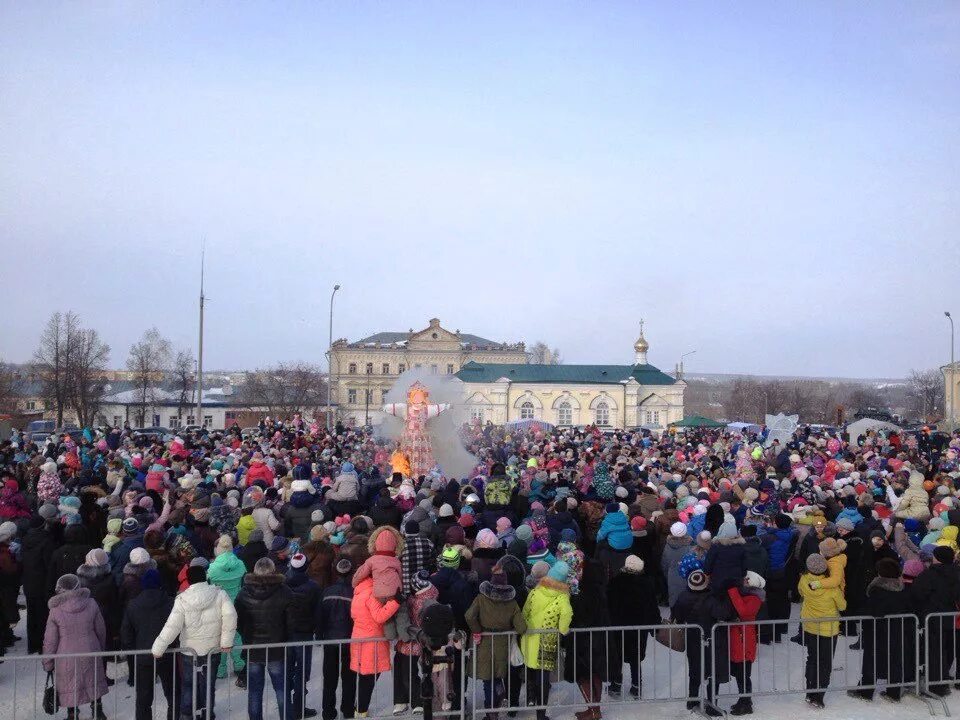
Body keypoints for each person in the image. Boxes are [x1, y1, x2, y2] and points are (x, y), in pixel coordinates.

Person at [152, 563, 238, 719]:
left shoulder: (182, 599)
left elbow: (172, 626)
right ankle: (207, 713)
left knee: (189, 684)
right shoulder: (220, 594)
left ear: (189, 581)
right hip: (213, 649)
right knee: (208, 684)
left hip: (189, 651)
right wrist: (226, 643)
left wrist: (158, 648)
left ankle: (187, 715)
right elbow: (230, 617)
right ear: (205, 578)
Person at [235, 557, 295, 720]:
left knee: (255, 692)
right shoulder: (285, 592)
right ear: (273, 571)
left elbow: (238, 622)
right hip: (276, 649)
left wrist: (246, 636)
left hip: (253, 649)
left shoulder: (243, 594)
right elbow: (291, 623)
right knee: (281, 690)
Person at [43, 574, 110, 720]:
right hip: (91, 649)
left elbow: (50, 640)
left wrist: (48, 662)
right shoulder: (91, 603)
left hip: (66, 654)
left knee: (69, 685)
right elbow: (101, 629)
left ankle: (72, 714)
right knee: (93, 680)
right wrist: (100, 648)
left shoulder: (55, 610)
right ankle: (98, 710)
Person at [849, 558, 914, 703]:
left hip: (876, 632)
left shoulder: (877, 591)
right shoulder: (902, 590)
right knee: (895, 659)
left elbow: (870, 610)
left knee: (871, 660)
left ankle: (865, 692)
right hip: (897, 631)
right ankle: (893, 692)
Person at [465, 568, 527, 717]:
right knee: (498, 675)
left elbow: (469, 616)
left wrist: (477, 630)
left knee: (488, 678)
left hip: (485, 642)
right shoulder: (511, 603)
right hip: (503, 644)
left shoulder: (481, 598)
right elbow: (522, 627)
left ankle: (491, 712)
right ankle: (498, 698)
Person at [120, 569, 178, 720]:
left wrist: (133, 651)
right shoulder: (171, 602)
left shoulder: (133, 605)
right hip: (168, 654)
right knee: (173, 695)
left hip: (143, 656)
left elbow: (126, 634)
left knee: (143, 699)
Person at [671, 569, 730, 717]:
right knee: (712, 671)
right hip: (712, 637)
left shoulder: (683, 597)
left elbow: (676, 616)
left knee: (695, 668)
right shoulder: (711, 599)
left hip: (692, 638)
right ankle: (712, 703)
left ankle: (692, 699)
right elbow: (722, 614)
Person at [521, 560, 573, 720]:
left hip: (530, 636)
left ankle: (531, 698)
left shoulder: (535, 591)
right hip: (547, 640)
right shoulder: (562, 597)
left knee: (531, 668)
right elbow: (566, 615)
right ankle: (541, 714)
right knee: (543, 677)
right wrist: (563, 630)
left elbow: (525, 612)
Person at [351, 558, 401, 717]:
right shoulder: (371, 594)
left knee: (364, 677)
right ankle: (361, 711)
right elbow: (379, 616)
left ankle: (359, 708)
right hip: (372, 641)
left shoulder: (358, 592)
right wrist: (395, 602)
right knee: (369, 678)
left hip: (359, 639)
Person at [909, 545, 960, 696]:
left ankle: (936, 685)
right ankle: (942, 679)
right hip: (952, 617)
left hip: (932, 618)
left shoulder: (930, 574)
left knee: (934, 651)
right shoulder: (957, 573)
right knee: (949, 648)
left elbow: (917, 594)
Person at [607, 554, 660, 698]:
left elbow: (608, 606)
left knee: (617, 655)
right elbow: (652, 606)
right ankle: (636, 686)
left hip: (617, 627)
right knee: (635, 657)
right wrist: (655, 626)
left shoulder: (614, 582)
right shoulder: (646, 583)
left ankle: (616, 684)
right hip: (638, 628)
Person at [798, 553, 846, 709]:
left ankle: (810, 692)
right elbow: (842, 606)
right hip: (828, 630)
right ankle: (818, 696)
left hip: (810, 626)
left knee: (812, 659)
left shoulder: (804, 580)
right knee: (824, 663)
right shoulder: (832, 589)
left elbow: (801, 592)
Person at [206, 535, 248, 684]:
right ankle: (239, 664)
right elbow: (244, 584)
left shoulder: (212, 568)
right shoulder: (241, 565)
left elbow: (209, 586)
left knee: (220, 636)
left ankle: (220, 668)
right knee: (236, 635)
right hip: (236, 603)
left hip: (219, 605)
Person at [286, 552, 323, 719]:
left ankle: (287, 707)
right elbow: (318, 613)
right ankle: (298, 707)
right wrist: (318, 632)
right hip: (304, 634)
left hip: (286, 635)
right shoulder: (313, 587)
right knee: (301, 673)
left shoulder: (282, 584)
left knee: (288, 672)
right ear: (306, 567)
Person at [320, 559, 356, 720]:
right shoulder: (354, 592)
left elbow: (320, 615)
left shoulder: (327, 592)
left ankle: (328, 712)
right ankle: (347, 710)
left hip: (330, 640)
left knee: (329, 678)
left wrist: (320, 634)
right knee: (348, 678)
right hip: (349, 639)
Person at [725, 571, 766, 715]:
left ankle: (746, 702)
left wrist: (732, 591)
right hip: (739, 639)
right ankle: (743, 700)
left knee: (744, 674)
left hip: (745, 640)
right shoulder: (746, 596)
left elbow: (742, 611)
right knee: (740, 673)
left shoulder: (754, 599)